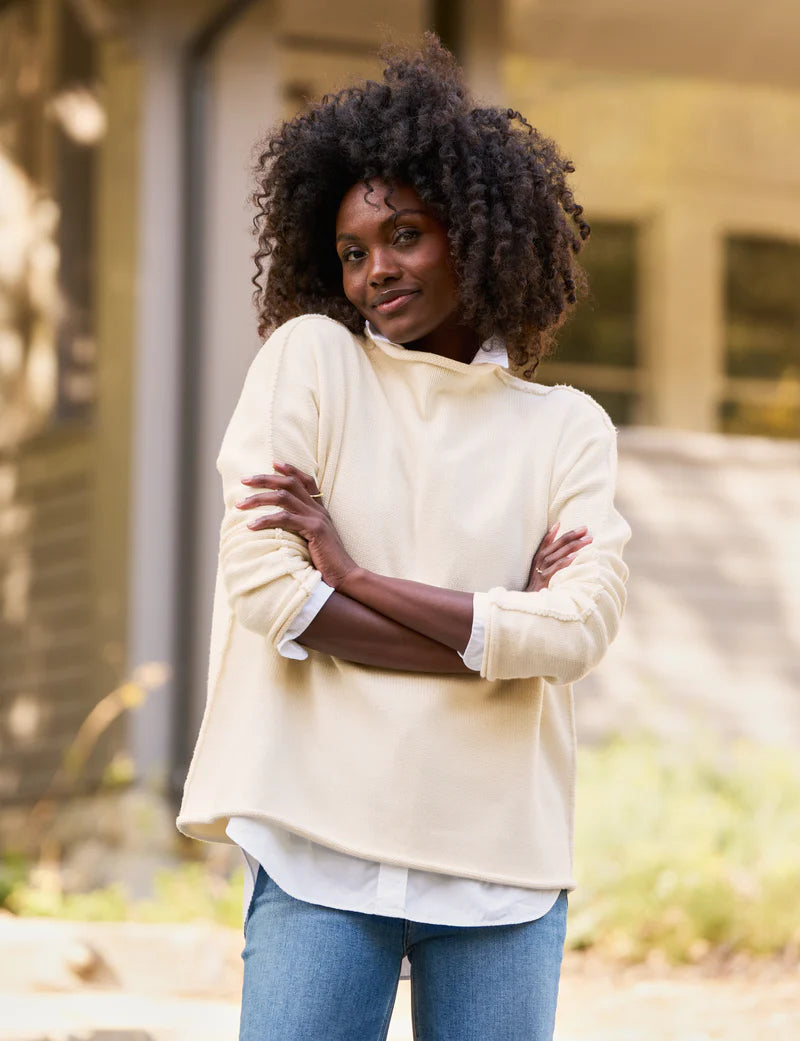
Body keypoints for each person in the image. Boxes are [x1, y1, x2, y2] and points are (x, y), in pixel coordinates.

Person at [177, 34, 631, 1041]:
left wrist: (350, 577)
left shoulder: (564, 429)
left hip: (500, 872)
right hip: (319, 850)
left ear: (475, 232)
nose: (373, 270)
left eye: (404, 236)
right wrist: (491, 640)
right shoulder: (309, 364)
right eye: (349, 251)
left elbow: (576, 635)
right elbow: (268, 593)